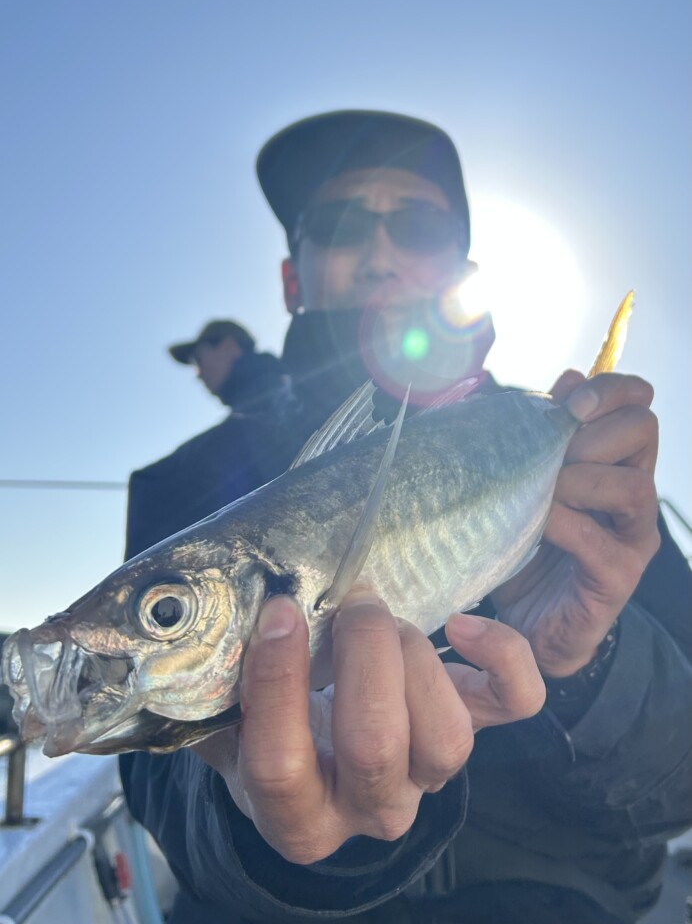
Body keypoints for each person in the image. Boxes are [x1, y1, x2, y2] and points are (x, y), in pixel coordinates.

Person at [121, 110, 692, 923]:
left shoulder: (581, 468)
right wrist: (257, 816)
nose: (382, 254)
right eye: (344, 225)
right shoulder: (190, 480)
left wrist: (590, 660)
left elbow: (684, 784)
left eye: (418, 226)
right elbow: (154, 766)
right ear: (293, 276)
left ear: (464, 269)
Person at [125, 319, 287, 557]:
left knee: (149, 483)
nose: (198, 375)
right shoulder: (261, 394)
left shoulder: (278, 391)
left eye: (199, 361)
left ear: (230, 346)